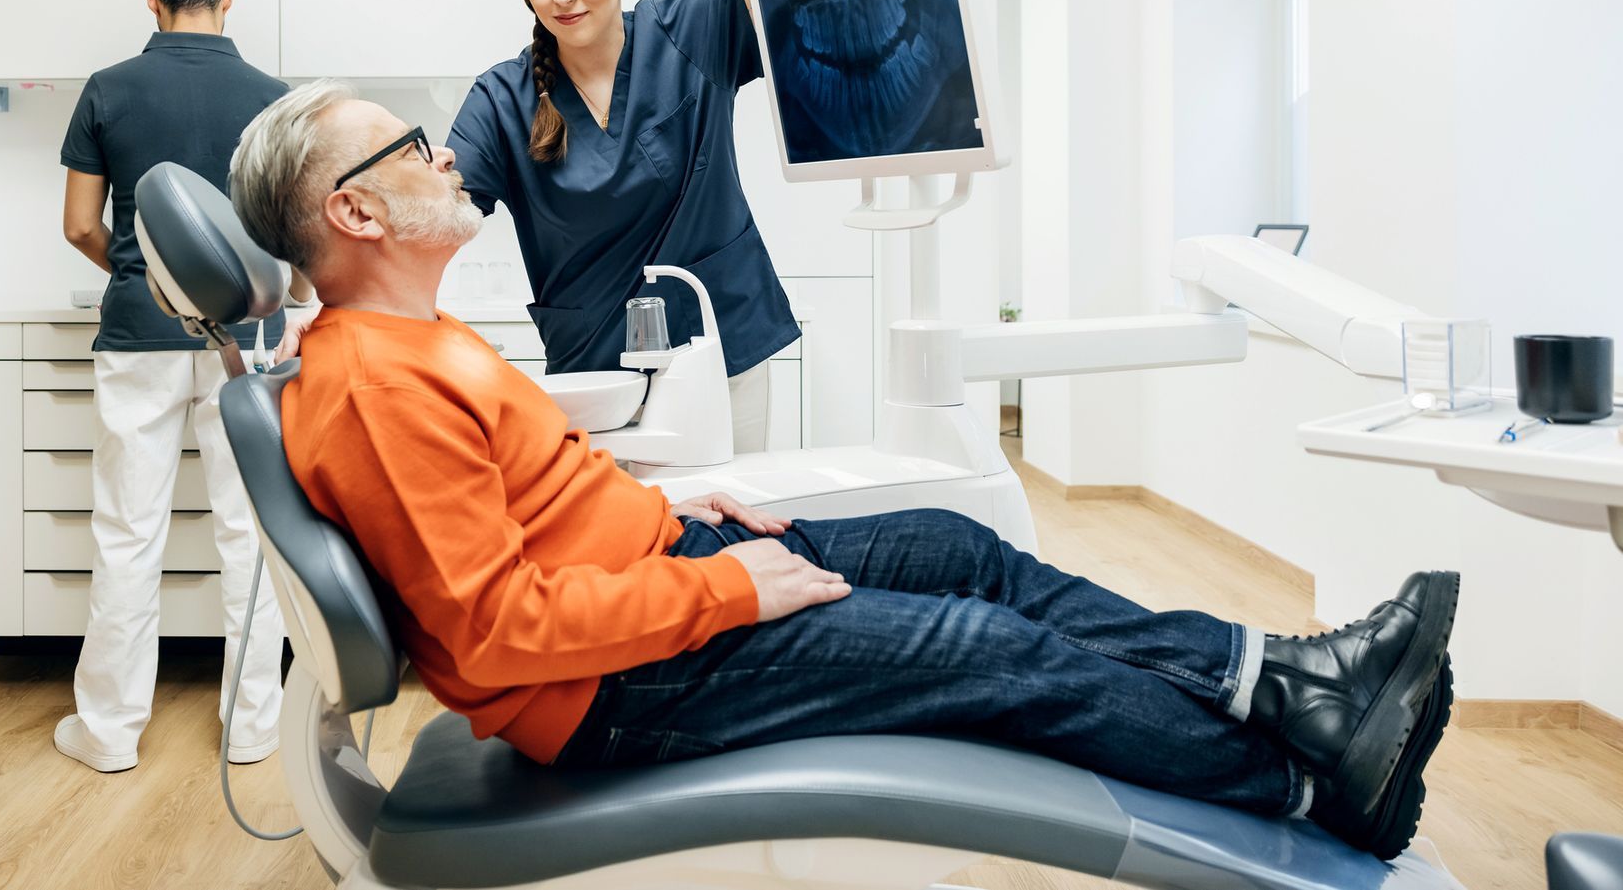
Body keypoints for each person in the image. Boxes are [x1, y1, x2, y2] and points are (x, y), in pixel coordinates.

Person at [228, 81, 1462, 862]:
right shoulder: (373, 388)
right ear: (357, 214)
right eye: (408, 146)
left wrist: (674, 514)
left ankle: (1285, 679)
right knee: (986, 651)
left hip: (656, 580)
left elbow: (534, 503)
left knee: (956, 546)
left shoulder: (412, 337)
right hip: (612, 687)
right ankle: (1311, 791)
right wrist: (730, 589)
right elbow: (494, 636)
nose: (444, 154)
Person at [443, 0, 818, 453]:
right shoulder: (502, 98)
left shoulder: (688, 29)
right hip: (593, 372)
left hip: (721, 346)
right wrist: (341, 310)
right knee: (616, 520)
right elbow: (432, 215)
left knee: (731, 508)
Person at [55, 0, 311, 772]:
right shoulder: (274, 100)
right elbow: (293, 248)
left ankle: (109, 732)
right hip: (250, 339)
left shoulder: (108, 89)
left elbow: (81, 226)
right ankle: (253, 727)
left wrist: (155, 276)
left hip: (141, 336)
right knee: (250, 533)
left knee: (128, 535)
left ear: (153, 1)